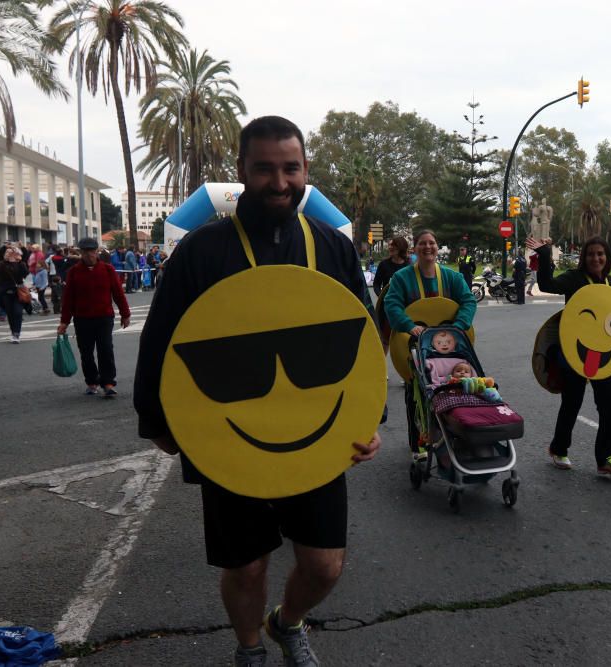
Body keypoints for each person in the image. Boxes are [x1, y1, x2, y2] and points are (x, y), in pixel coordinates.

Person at [133, 116, 380, 667]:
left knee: (324, 565)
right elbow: (162, 340)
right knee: (245, 566)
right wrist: (158, 422)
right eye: (264, 168)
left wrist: (368, 420)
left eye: (290, 168)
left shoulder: (333, 251)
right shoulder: (202, 251)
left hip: (316, 433)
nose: (279, 181)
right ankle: (250, 650)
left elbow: (362, 342)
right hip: (228, 435)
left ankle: (286, 624)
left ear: (305, 171)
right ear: (242, 171)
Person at [526, 235, 611, 477]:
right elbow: (548, 285)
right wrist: (544, 254)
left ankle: (605, 458)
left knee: (608, 407)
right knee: (572, 404)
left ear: (607, 257)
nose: (596, 258)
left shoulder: (610, 284)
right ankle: (558, 448)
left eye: (600, 254)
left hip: (603, 355)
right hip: (576, 353)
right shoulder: (574, 279)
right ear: (585, 257)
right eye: (591, 254)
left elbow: (610, 321)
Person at [383, 229, 477, 460]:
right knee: (416, 394)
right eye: (422, 243)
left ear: (437, 247)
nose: (428, 247)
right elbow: (391, 304)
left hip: (449, 346)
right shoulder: (402, 278)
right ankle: (419, 446)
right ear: (415, 249)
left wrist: (459, 324)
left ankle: (449, 436)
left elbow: (468, 300)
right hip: (415, 347)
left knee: (451, 389)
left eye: (432, 243)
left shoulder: (451, 277)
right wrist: (409, 325)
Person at [58, 238, 130, 396]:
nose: (89, 255)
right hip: (82, 318)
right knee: (86, 352)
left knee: (106, 349)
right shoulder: (74, 272)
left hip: (104, 317)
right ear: (80, 253)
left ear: (97, 252)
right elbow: (68, 299)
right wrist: (64, 322)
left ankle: (108, 382)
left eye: (92, 251)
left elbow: (118, 293)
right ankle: (91, 381)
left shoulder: (108, 270)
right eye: (85, 252)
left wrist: (125, 314)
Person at [0, 247, 28, 342]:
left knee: (18, 312)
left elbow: (25, 274)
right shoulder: (1, 265)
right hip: (5, 293)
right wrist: (5, 259)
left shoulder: (20, 264)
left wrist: (19, 261)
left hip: (17, 292)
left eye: (12, 253)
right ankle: (14, 333)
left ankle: (16, 333)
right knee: (10, 314)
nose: (10, 254)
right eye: (8, 252)